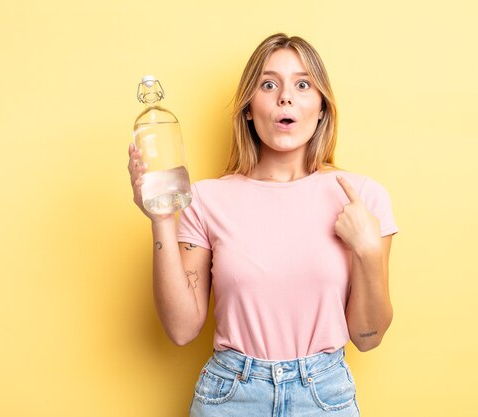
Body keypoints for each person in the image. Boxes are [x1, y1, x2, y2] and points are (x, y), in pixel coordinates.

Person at [128, 33, 398, 417]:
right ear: (249, 110)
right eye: (268, 84)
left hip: (324, 397)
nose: (285, 97)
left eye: (302, 84)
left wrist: (368, 250)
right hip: (231, 396)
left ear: (321, 107)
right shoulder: (205, 200)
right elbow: (182, 329)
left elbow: (367, 338)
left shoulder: (361, 198)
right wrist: (160, 221)